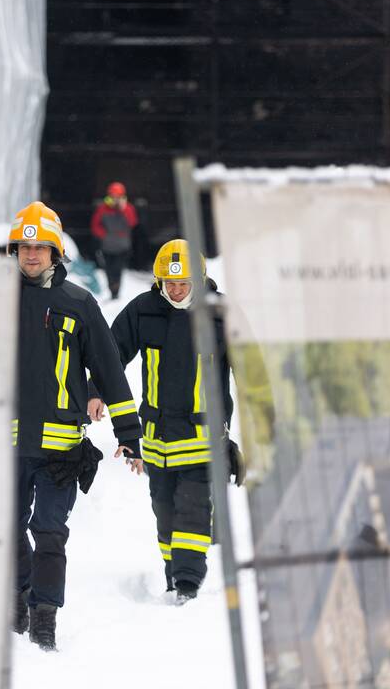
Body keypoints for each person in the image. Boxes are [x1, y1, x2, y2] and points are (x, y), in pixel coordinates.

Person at [0, 201, 143, 651]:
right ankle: (17, 596)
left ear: (56, 253)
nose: (31, 255)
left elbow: (111, 373)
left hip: (61, 450)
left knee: (50, 530)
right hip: (10, 445)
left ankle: (44, 616)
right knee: (7, 528)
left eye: (41, 247)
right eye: (24, 247)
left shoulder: (79, 303)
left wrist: (129, 435)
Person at [90, 238, 245, 604]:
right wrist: (95, 390)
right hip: (157, 441)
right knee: (165, 511)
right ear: (158, 281)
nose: (175, 290)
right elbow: (112, 355)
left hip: (202, 438)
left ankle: (188, 582)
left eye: (183, 283)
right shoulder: (143, 311)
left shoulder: (221, 315)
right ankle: (174, 577)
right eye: (169, 283)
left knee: (193, 508)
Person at [89, 181, 138, 300]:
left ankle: (116, 291)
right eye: (113, 197)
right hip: (107, 247)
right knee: (109, 270)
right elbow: (95, 226)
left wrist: (124, 209)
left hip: (123, 247)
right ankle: (112, 290)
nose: (115, 200)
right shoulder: (102, 209)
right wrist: (104, 235)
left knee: (118, 269)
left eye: (118, 197)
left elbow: (133, 223)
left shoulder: (128, 208)